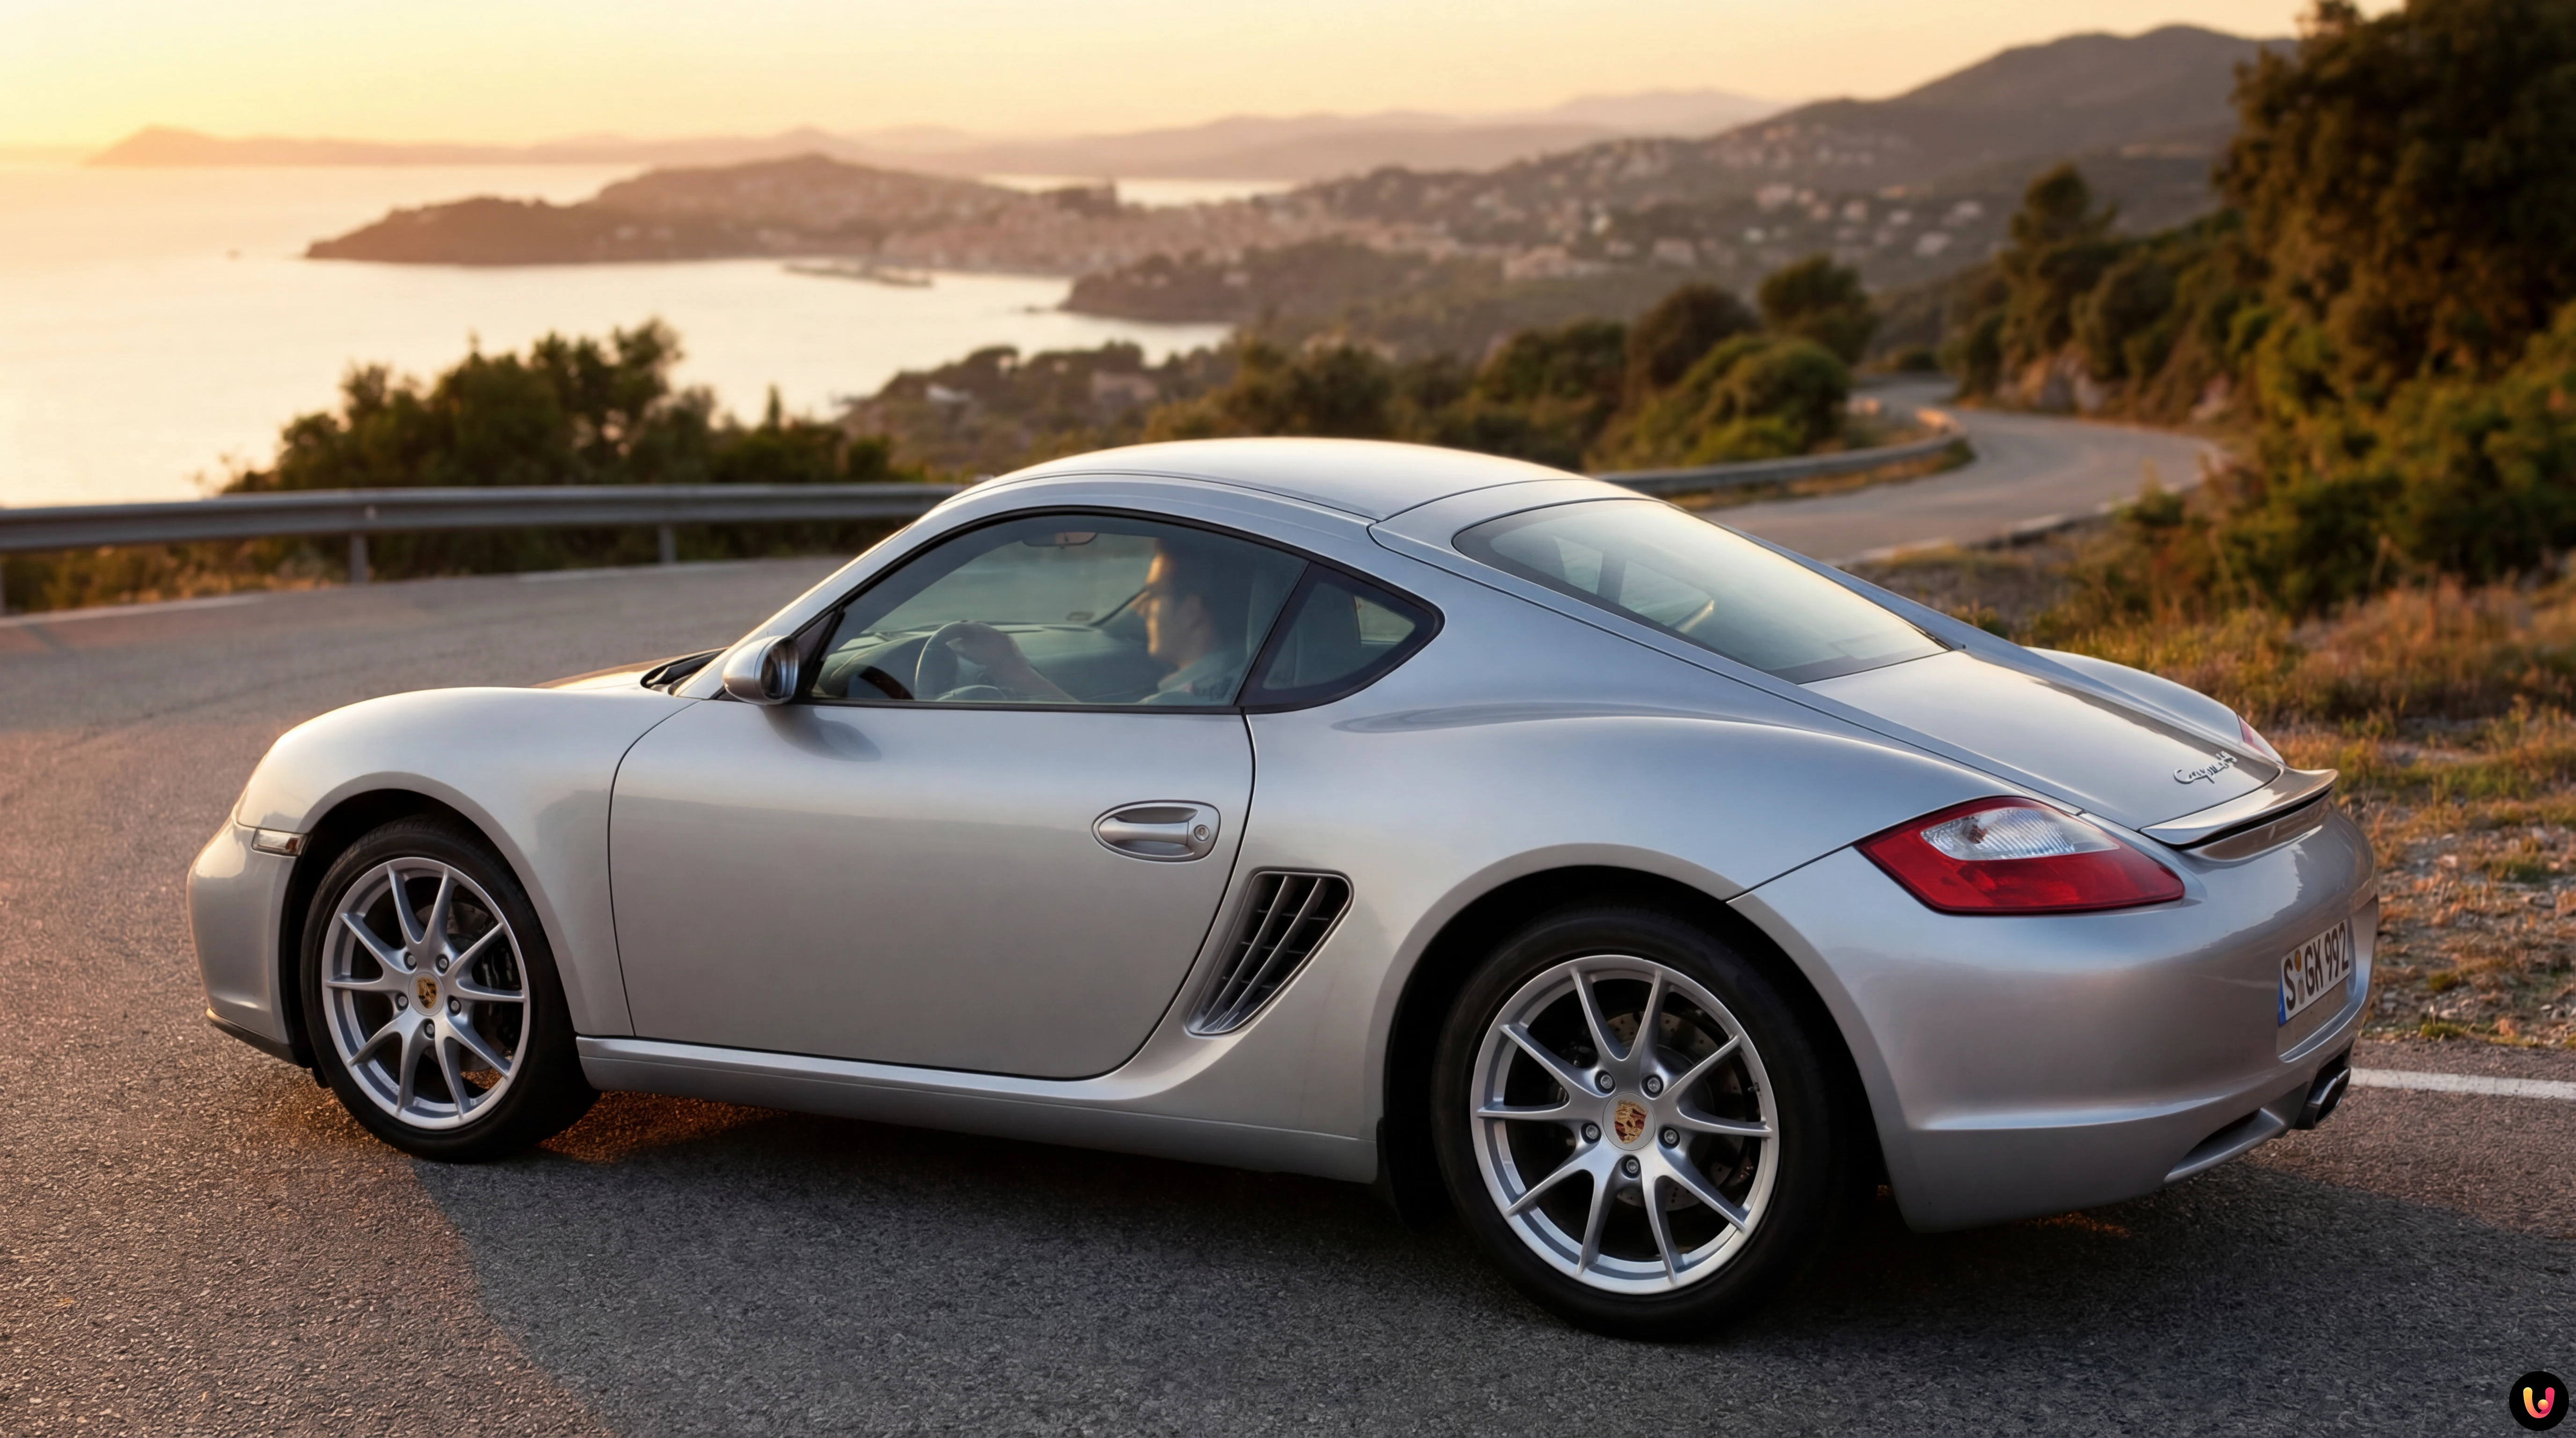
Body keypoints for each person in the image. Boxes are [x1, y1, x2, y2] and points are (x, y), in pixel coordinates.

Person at [927, 536, 1251, 704]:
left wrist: (1011, 667)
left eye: (1153, 593)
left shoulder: (1178, 708)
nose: (1139, 607)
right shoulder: (1239, 679)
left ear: (1192, 611)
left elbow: (1093, 740)